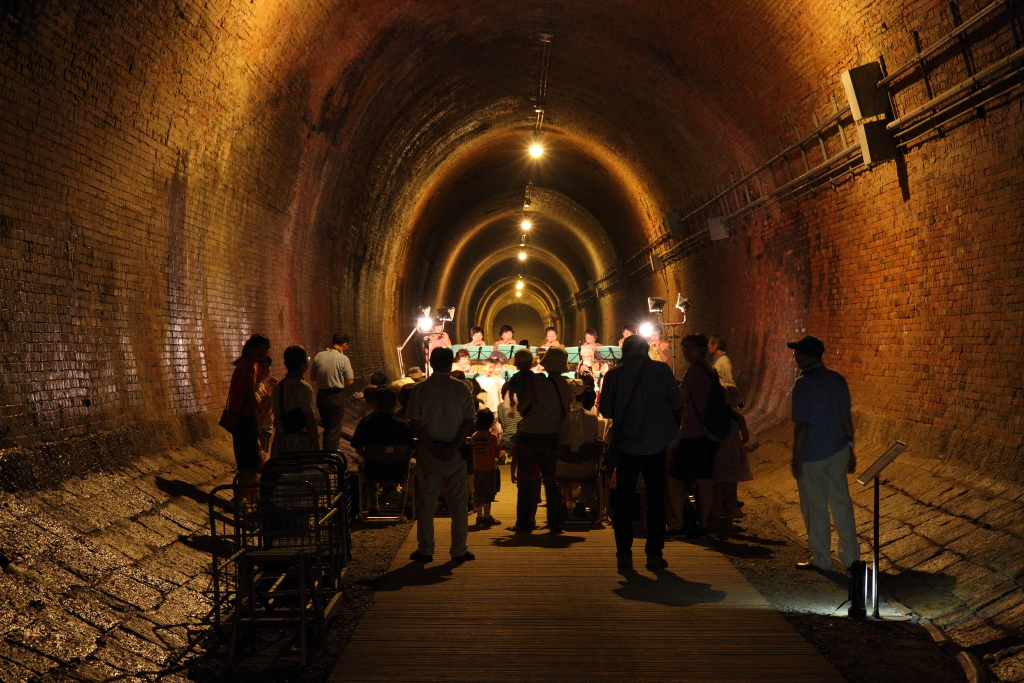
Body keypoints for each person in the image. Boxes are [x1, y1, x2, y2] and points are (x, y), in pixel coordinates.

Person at [599, 335, 683, 570]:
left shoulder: (614, 375)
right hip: (656, 445)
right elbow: (676, 401)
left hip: (626, 445)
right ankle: (654, 554)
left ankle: (624, 555)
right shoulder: (661, 370)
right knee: (656, 500)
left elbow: (606, 410)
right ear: (646, 350)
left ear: (624, 351)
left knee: (624, 502)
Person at [789, 335, 860, 571]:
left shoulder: (803, 384)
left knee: (815, 506)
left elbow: (802, 425)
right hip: (838, 449)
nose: (794, 355)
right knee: (841, 503)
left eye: (797, 352)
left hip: (812, 454)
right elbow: (845, 418)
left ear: (804, 355)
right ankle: (851, 558)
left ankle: (821, 558)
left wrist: (796, 457)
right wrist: (851, 448)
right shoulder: (837, 380)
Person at [406, 347, 477, 563]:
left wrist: (432, 447)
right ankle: (458, 550)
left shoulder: (419, 390)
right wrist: (454, 447)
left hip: (429, 451)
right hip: (455, 452)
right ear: (450, 364)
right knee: (458, 502)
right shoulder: (462, 388)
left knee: (426, 502)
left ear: (432, 364)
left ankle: (426, 549)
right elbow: (468, 421)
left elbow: (415, 423)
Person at [512, 347, 575, 534]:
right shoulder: (566, 385)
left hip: (530, 435)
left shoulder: (537, 383)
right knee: (551, 481)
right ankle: (556, 522)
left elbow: (522, 408)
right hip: (552, 436)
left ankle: (524, 523)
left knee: (526, 481)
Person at [669, 333, 721, 536]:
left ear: (702, 349)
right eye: (683, 346)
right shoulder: (710, 369)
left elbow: (678, 400)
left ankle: (680, 524)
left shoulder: (693, 371)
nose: (685, 350)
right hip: (708, 432)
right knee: (704, 478)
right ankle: (704, 524)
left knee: (676, 478)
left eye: (689, 347)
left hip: (692, 432)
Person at [351, 388, 416, 513]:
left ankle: (374, 503)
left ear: (375, 404)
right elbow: (412, 449)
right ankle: (404, 501)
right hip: (399, 470)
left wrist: (369, 457)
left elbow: (358, 449)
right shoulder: (403, 425)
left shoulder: (366, 423)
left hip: (373, 470)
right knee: (415, 465)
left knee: (362, 464)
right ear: (395, 404)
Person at [227, 334, 271, 495]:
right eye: (259, 350)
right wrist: (256, 423)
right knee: (250, 461)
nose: (262, 354)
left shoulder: (246, 364)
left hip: (242, 418)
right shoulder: (249, 365)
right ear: (251, 348)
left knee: (248, 461)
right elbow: (251, 397)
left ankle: (247, 497)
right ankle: (244, 498)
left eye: (264, 351)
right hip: (245, 419)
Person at [709, 402, 752, 534]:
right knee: (732, 491)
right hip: (734, 454)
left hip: (719, 453)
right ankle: (728, 522)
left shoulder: (714, 417)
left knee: (718, 490)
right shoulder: (738, 417)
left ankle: (715, 521)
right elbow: (745, 438)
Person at [271, 345, 320, 457]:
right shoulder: (304, 388)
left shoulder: (279, 386)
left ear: (285, 364)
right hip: (299, 444)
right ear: (305, 364)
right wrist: (317, 448)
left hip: (280, 442)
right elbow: (310, 420)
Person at [310, 334, 355, 451]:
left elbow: (312, 377)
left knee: (326, 426)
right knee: (334, 429)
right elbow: (350, 381)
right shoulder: (343, 359)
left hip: (321, 396)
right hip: (336, 396)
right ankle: (330, 458)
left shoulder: (319, 356)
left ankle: (325, 452)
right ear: (344, 344)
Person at [470, 409, 501, 527]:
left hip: (477, 468)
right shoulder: (492, 437)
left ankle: (479, 516)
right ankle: (487, 516)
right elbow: (497, 453)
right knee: (488, 493)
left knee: (478, 492)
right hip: (489, 468)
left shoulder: (474, 436)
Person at [255, 356, 278, 457]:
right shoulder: (253, 386)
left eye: (267, 366)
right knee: (261, 458)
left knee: (264, 455)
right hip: (260, 428)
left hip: (266, 427)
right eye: (262, 366)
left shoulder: (263, 384)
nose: (265, 370)